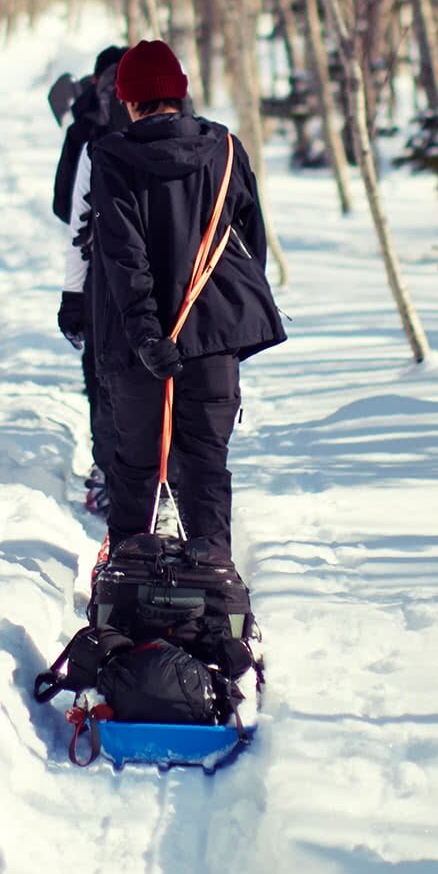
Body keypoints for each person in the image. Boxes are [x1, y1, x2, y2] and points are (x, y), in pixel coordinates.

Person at [88, 39, 286, 557]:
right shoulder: (225, 148)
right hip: (214, 332)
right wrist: (223, 325)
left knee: (134, 464)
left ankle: (126, 593)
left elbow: (122, 254)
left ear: (128, 101)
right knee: (205, 466)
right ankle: (214, 585)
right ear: (181, 93)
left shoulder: (111, 156)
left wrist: (147, 332)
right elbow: (250, 244)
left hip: (139, 347)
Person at [54, 46, 129, 513]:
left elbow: (67, 206)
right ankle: (162, 478)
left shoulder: (86, 130)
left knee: (102, 375)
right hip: (175, 274)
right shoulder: (182, 121)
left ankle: (107, 471)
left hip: (100, 270)